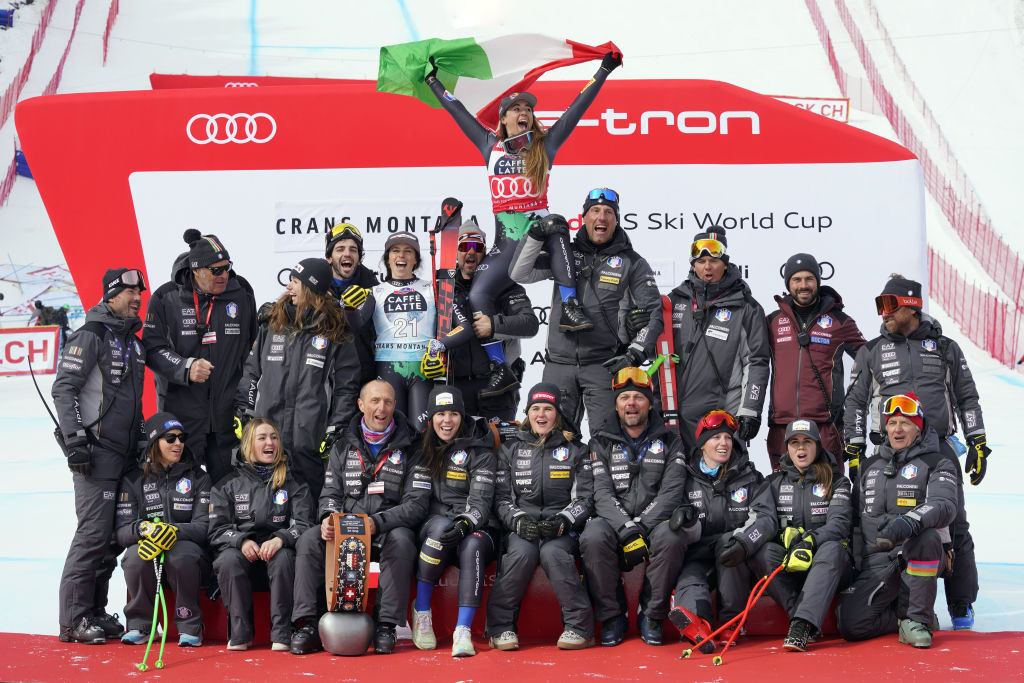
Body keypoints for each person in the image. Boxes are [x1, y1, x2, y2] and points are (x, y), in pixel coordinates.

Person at [424, 50, 622, 397]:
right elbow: (457, 110)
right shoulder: (490, 146)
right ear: (503, 119)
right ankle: (501, 367)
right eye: (517, 109)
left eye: (528, 109)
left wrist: (603, 69)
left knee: (553, 223)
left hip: (543, 240)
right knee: (479, 294)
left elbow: (577, 108)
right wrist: (433, 82)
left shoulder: (544, 147)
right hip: (506, 247)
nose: (524, 113)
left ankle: (571, 308)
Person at [843, 275, 987, 630]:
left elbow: (967, 396)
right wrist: (856, 449)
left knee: (955, 525)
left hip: (938, 449)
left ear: (911, 305)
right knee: (881, 523)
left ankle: (960, 603)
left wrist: (978, 441)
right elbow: (855, 403)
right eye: (880, 306)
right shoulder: (872, 350)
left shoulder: (946, 347)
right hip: (889, 451)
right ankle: (892, 601)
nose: (883, 314)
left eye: (888, 305)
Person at [289, 379, 429, 656]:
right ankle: (307, 623)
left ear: (395, 406)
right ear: (361, 405)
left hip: (386, 528)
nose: (382, 408)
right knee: (309, 539)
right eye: (375, 401)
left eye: (388, 401)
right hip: (346, 526)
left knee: (402, 541)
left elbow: (417, 504)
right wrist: (329, 517)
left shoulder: (413, 445)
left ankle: (386, 625)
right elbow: (329, 493)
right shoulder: (342, 444)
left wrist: (376, 523)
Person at [511, 189, 662, 435]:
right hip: (558, 364)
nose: (601, 217)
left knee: (607, 440)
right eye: (595, 211)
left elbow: (654, 313)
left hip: (604, 365)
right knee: (554, 441)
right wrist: (536, 234)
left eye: (608, 212)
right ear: (584, 217)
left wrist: (634, 354)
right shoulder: (564, 253)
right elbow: (520, 273)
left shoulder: (631, 262)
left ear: (616, 220)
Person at [52, 268, 150, 644]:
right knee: (92, 535)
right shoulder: (91, 334)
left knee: (111, 539)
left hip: (125, 457)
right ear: (111, 295)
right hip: (95, 454)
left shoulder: (134, 343)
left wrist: (142, 444)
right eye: (129, 292)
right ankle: (73, 620)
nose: (137, 297)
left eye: (139, 291)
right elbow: (64, 389)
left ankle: (94, 611)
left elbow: (134, 405)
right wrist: (76, 440)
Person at [580, 367, 690, 647]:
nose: (631, 403)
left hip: (653, 522)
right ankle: (612, 614)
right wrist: (626, 528)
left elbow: (671, 493)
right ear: (616, 404)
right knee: (592, 536)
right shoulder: (600, 441)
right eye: (624, 397)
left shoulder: (672, 441)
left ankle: (651, 614)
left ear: (650, 403)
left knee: (672, 536)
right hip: (614, 520)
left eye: (638, 398)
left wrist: (640, 526)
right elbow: (601, 494)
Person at [837, 394, 958, 648]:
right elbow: (856, 521)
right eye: (892, 423)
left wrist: (908, 523)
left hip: (914, 554)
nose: (898, 429)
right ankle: (902, 617)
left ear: (918, 426)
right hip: (877, 561)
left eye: (905, 422)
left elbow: (945, 505)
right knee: (850, 625)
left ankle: (917, 620)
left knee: (927, 537)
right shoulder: (869, 466)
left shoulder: (938, 462)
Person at [235, 257, 359, 500]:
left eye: (295, 282)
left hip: (310, 440)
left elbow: (347, 388)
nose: (288, 287)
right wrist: (245, 409)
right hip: (269, 437)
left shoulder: (335, 331)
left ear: (312, 288)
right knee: (264, 506)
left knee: (309, 508)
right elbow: (251, 372)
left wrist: (335, 427)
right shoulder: (272, 323)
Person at [485, 383, 595, 651]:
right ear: (528, 413)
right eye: (535, 408)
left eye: (548, 409)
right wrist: (518, 520)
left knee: (553, 554)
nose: (541, 415)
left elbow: (586, 498)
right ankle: (500, 629)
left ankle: (579, 628)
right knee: (521, 554)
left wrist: (564, 521)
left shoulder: (575, 450)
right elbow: (500, 499)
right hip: (523, 527)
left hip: (561, 530)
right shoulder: (510, 449)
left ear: (557, 415)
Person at [144, 230, 257, 485]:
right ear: (197, 271)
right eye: (216, 270)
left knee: (231, 491)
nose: (224, 275)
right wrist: (185, 367)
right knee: (182, 494)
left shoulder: (241, 292)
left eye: (227, 267)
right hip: (181, 419)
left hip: (228, 418)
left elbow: (254, 349)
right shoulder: (166, 297)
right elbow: (152, 349)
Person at [746, 419, 853, 652]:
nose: (801, 449)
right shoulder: (773, 483)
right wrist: (783, 537)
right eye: (795, 443)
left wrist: (811, 540)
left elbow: (840, 524)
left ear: (817, 445)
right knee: (762, 552)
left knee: (833, 547)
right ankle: (800, 615)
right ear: (787, 448)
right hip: (791, 564)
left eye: (807, 442)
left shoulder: (838, 481)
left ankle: (802, 625)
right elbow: (764, 522)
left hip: (829, 566)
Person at [208, 418, 314, 651]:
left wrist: (281, 539)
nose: (270, 443)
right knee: (227, 559)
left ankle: (282, 633)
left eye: (274, 437)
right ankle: (240, 634)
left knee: (285, 557)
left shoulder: (293, 482)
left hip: (277, 549)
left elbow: (306, 524)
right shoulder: (227, 484)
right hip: (241, 550)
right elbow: (216, 530)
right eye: (263, 438)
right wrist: (240, 540)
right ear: (248, 445)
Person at [669, 409, 767, 651]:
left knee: (728, 545)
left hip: (735, 553)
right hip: (699, 552)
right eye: (715, 438)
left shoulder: (750, 477)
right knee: (690, 578)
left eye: (727, 438)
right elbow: (671, 513)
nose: (723, 443)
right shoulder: (685, 478)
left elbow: (766, 519)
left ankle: (730, 623)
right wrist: (685, 521)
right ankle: (699, 623)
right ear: (702, 444)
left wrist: (745, 541)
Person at [410, 386, 497, 657]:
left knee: (472, 544)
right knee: (438, 529)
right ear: (431, 417)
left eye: (453, 414)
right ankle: (421, 611)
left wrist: (465, 523)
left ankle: (463, 631)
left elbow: (481, 503)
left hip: (475, 525)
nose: (447, 421)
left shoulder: (481, 450)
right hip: (434, 522)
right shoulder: (421, 449)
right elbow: (416, 500)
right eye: (440, 414)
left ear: (463, 417)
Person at [668, 227, 771, 452]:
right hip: (674, 420)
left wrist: (750, 410)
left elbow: (757, 363)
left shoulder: (746, 307)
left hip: (722, 420)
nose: (707, 266)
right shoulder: (673, 301)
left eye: (714, 260)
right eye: (701, 260)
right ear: (692, 264)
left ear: (725, 264)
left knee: (725, 482)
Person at [115, 412, 212, 647]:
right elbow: (121, 532)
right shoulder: (133, 479)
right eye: (170, 438)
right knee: (135, 556)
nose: (178, 443)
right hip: (150, 549)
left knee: (181, 554)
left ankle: (190, 626)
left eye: (181, 437)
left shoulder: (198, 477)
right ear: (153, 443)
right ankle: (142, 625)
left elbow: (204, 527)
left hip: (190, 554)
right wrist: (144, 529)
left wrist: (173, 531)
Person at [766, 253, 866, 471]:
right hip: (782, 426)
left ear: (818, 282)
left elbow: (870, 360)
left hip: (825, 427)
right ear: (788, 283)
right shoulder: (772, 321)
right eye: (797, 279)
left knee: (828, 496)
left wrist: (849, 405)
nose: (803, 285)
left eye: (809, 279)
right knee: (781, 497)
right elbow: (751, 362)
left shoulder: (840, 321)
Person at [440, 219, 539, 420]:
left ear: (485, 253)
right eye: (464, 246)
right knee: (460, 450)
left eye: (477, 247)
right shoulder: (441, 288)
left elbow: (530, 324)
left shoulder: (504, 285)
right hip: (455, 385)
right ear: (455, 252)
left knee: (500, 449)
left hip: (498, 386)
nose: (470, 252)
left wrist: (494, 326)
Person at [348, 232, 437, 432]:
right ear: (387, 259)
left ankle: (419, 465)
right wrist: (348, 308)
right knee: (391, 429)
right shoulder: (375, 292)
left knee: (421, 431)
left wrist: (441, 349)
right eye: (395, 251)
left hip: (422, 368)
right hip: (388, 368)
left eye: (408, 251)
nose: (401, 256)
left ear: (416, 259)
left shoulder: (432, 289)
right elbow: (356, 326)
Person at [324, 222, 380, 387]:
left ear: (360, 259)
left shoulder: (375, 289)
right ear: (329, 257)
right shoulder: (315, 288)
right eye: (340, 249)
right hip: (324, 378)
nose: (347, 254)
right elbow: (292, 305)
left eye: (353, 250)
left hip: (363, 378)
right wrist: (272, 310)